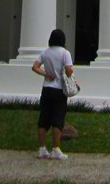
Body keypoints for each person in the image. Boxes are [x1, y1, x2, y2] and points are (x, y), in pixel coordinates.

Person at [31, 28, 76, 161]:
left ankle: (42, 149)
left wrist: (46, 74)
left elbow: (35, 67)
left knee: (43, 120)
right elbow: (68, 70)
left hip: (46, 88)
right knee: (57, 120)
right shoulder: (65, 53)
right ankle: (56, 149)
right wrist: (70, 75)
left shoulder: (45, 52)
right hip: (59, 90)